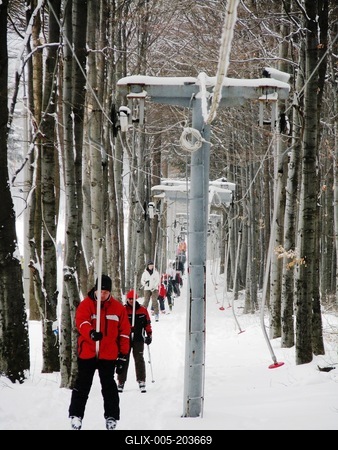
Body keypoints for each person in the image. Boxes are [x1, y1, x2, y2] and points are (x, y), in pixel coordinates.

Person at [68, 274, 131, 430]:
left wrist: (123, 356)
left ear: (110, 292)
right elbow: (81, 322)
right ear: (95, 290)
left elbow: (124, 332)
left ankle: (111, 417)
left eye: (105, 292)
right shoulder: (86, 305)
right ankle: (76, 415)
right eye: (100, 291)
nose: (102, 295)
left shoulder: (118, 309)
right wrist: (90, 333)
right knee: (83, 385)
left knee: (109, 386)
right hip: (88, 352)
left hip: (108, 354)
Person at [117, 289, 152, 394]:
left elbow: (147, 323)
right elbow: (118, 325)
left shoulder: (142, 310)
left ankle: (141, 380)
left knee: (139, 359)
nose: (131, 301)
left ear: (136, 299)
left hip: (138, 338)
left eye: (133, 299)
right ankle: (121, 381)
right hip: (125, 338)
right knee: (123, 359)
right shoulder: (123, 310)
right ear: (127, 299)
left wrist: (149, 335)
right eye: (130, 299)